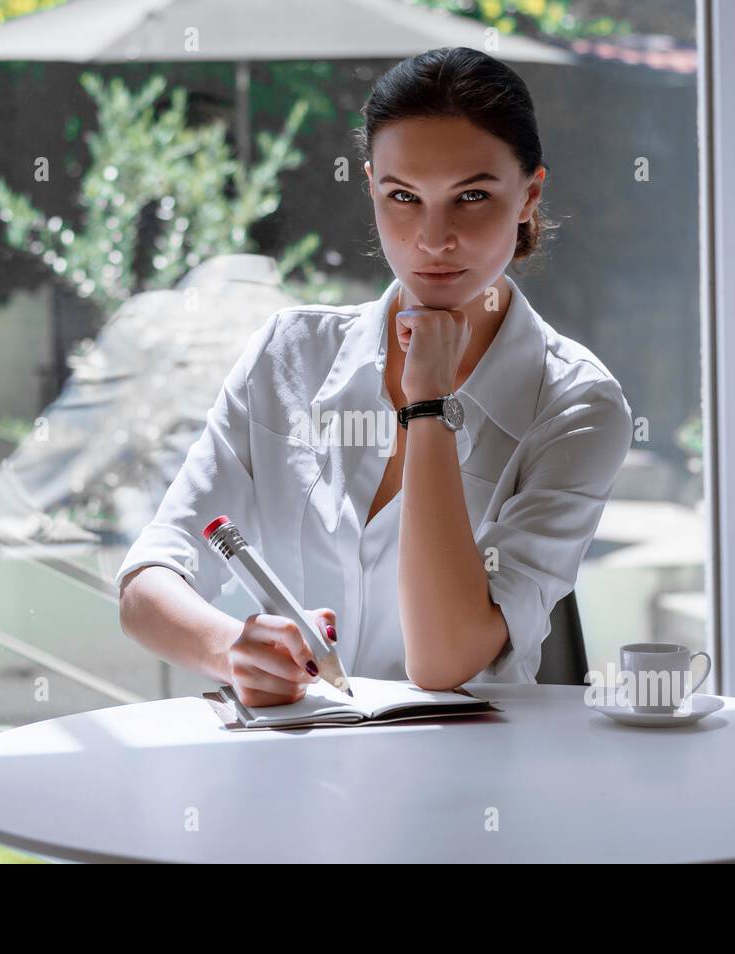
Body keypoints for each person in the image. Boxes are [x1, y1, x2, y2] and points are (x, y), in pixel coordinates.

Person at [117, 47, 634, 708]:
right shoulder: (290, 355)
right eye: (403, 197)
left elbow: (445, 660)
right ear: (372, 188)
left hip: (471, 789)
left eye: (471, 196)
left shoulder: (578, 408)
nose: (433, 238)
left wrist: (430, 406)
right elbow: (148, 579)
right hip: (291, 765)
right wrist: (233, 648)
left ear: (529, 195)